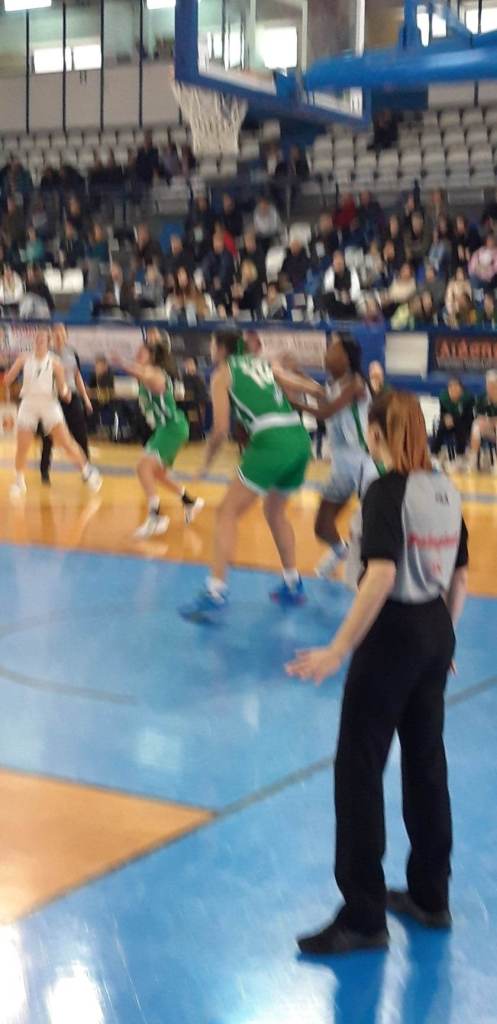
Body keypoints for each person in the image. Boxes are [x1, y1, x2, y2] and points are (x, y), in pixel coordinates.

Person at [287, 390, 468, 956]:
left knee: (359, 770)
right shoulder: (446, 487)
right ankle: (431, 895)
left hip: (391, 635)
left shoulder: (387, 492)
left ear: (376, 435)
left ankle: (364, 916)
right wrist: (443, 636)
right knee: (425, 762)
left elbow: (382, 575)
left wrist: (338, 647)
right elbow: (460, 575)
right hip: (433, 629)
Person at [180, 330, 312, 621]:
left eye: (212, 344)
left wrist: (205, 464)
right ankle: (293, 583)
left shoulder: (222, 374)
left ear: (221, 348)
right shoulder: (260, 363)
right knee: (274, 512)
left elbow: (220, 430)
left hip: (272, 440)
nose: (210, 349)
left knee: (226, 512)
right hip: (300, 439)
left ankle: (216, 590)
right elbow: (290, 393)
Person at [295, 332, 378, 579]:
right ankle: (343, 551)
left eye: (334, 349)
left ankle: (376, 575)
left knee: (372, 529)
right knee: (322, 527)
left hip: (363, 464)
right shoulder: (335, 384)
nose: (328, 353)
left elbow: (325, 412)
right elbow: (318, 393)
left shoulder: (356, 384)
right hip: (342, 466)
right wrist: (294, 373)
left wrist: (293, 402)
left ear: (347, 358)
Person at [113, 341, 204, 538]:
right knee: (158, 473)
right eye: (137, 351)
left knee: (143, 467)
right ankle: (190, 501)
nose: (137, 354)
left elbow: (143, 374)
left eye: (142, 352)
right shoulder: (146, 374)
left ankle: (156, 516)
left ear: (152, 357)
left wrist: (121, 362)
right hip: (166, 429)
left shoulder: (154, 373)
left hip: (172, 427)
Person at [4, 328, 101, 499]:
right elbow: (7, 379)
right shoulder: (24, 358)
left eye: (43, 339)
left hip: (49, 403)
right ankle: (19, 482)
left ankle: (87, 471)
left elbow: (63, 389)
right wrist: (9, 373)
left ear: (48, 343)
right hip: (29, 404)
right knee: (22, 446)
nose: (39, 341)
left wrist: (66, 393)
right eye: (37, 338)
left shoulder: (55, 363)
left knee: (66, 442)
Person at [39, 324, 93, 485]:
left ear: (66, 336)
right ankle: (44, 471)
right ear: (51, 336)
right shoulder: (46, 354)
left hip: (72, 397)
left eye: (61, 333)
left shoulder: (72, 353)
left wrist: (85, 398)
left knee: (81, 435)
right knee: (48, 436)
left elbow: (77, 376)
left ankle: (86, 469)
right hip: (53, 398)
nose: (58, 336)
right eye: (55, 333)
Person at [432, 377, 474, 471]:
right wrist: (446, 417)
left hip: (465, 423)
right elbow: (442, 412)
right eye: (450, 387)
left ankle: (460, 456)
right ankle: (434, 454)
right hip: (449, 423)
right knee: (442, 426)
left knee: (459, 425)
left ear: (461, 389)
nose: (453, 390)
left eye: (456, 387)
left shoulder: (468, 398)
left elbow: (468, 416)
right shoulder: (444, 397)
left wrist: (453, 418)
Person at [468, 370, 497, 474]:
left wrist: (492, 420)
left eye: (493, 386)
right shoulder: (482, 398)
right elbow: (478, 416)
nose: (491, 388)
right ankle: (473, 461)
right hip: (489, 428)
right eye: (489, 385)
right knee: (476, 426)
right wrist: (488, 420)